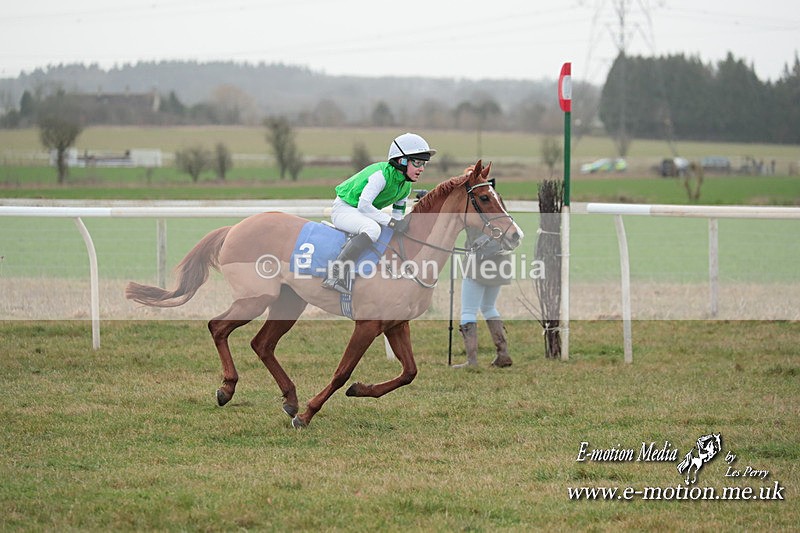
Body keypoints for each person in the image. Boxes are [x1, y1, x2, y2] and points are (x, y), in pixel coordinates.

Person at [322, 132, 436, 295]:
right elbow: (364, 205)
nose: (422, 169)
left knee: (390, 233)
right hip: (345, 209)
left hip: (362, 212)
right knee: (373, 230)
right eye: (417, 162)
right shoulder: (381, 176)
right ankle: (335, 274)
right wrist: (391, 222)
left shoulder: (405, 186)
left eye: (424, 163)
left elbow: (398, 216)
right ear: (401, 161)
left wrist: (399, 224)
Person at [453, 187, 513, 369]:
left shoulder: (474, 205)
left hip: (479, 261)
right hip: (500, 259)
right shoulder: (496, 200)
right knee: (488, 307)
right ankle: (503, 354)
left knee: (468, 310)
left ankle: (471, 361)